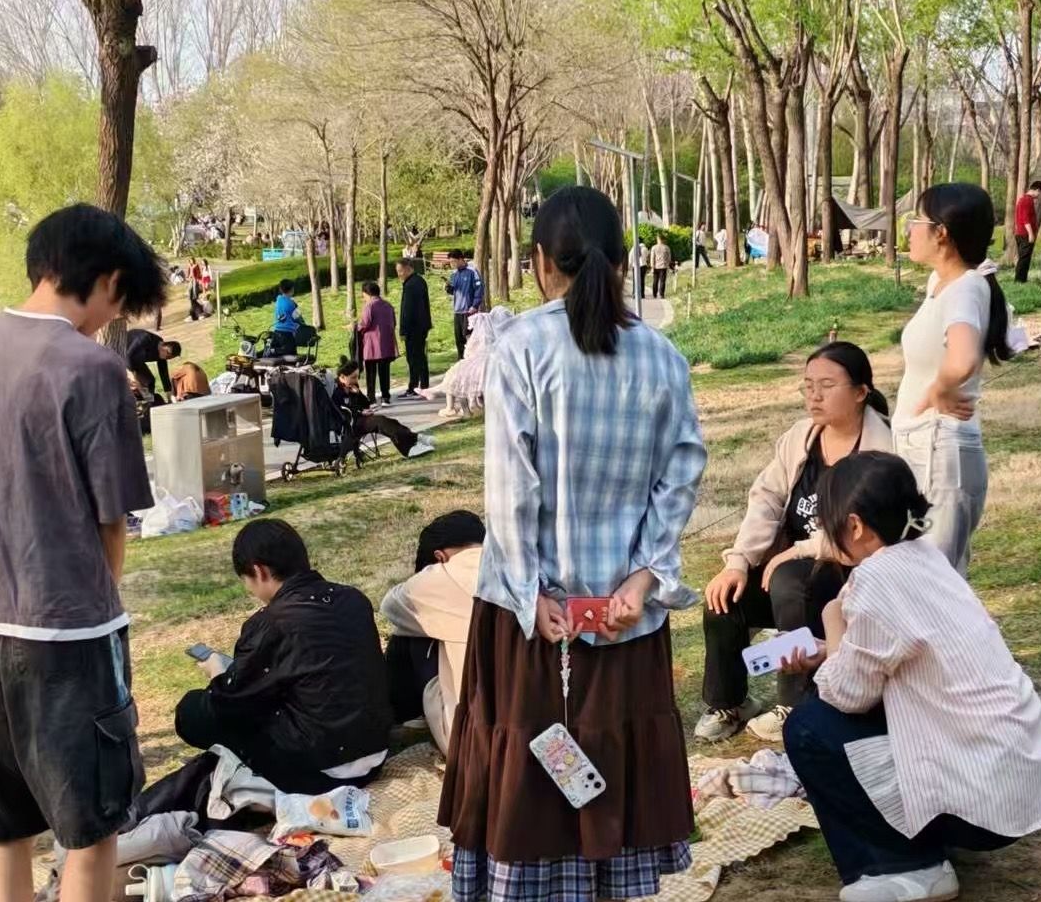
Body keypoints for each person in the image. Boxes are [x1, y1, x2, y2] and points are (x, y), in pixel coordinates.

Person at [439, 186, 704, 902]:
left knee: (530, 753)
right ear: (621, 261)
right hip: (622, 615)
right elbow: (681, 474)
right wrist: (644, 577)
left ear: (539, 262)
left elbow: (512, 490)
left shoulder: (522, 347)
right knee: (608, 749)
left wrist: (529, 593)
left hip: (536, 618)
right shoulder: (661, 356)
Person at [0, 204, 166, 902]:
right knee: (92, 828)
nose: (112, 317)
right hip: (64, 624)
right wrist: (105, 605)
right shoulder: (93, 367)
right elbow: (111, 519)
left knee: (5, 827)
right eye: (119, 301)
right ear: (108, 279)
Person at [779, 453, 1041, 902]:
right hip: (1015, 774)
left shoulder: (877, 579)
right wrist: (828, 650)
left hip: (980, 797)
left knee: (809, 727)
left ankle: (908, 866)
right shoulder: (924, 556)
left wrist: (832, 620)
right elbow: (896, 651)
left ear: (854, 526)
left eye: (827, 523)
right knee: (836, 715)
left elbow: (845, 695)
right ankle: (923, 841)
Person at [696, 342, 894, 745]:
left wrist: (798, 551)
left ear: (861, 392)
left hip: (851, 575)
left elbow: (865, 531)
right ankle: (729, 702)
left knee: (792, 580)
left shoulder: (884, 447)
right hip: (787, 570)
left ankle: (796, 703)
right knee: (724, 597)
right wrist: (738, 562)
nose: (814, 396)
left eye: (827, 386)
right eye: (808, 386)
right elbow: (766, 498)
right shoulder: (800, 438)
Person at [175, 519, 393, 793]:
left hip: (320, 770)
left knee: (193, 710)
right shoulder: (353, 599)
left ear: (259, 571)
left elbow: (231, 704)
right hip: (375, 754)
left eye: (247, 581)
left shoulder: (272, 623)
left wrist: (219, 673)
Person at [896, 184, 1015, 575]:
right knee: (926, 574)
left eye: (916, 221)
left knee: (933, 578)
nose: (909, 230)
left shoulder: (965, 288)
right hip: (923, 446)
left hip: (941, 453)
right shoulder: (941, 283)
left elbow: (963, 358)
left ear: (941, 233)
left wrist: (938, 390)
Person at [381, 510, 485, 754]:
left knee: (413, 628)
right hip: (538, 727)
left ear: (439, 556)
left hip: (469, 741)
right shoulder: (519, 567)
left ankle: (401, 715)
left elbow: (390, 607)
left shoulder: (441, 575)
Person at [334, 359, 436, 459]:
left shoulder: (352, 386)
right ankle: (411, 446)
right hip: (350, 424)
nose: (356, 380)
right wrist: (360, 412)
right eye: (353, 377)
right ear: (342, 377)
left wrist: (358, 394)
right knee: (381, 422)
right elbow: (341, 412)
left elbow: (366, 403)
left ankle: (415, 440)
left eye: (357, 377)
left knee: (389, 422)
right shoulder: (336, 391)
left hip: (361, 419)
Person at [425, 306, 513, 418]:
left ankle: (452, 407)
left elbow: (471, 352)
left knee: (457, 375)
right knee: (456, 374)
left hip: (482, 370)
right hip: (485, 368)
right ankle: (437, 396)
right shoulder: (503, 338)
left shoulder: (489, 339)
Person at [356, 280, 399, 405]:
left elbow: (365, 324)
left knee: (371, 373)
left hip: (371, 345)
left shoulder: (369, 306)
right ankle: (386, 397)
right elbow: (394, 323)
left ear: (367, 293)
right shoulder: (388, 305)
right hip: (386, 344)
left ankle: (371, 398)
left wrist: (355, 328)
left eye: (363, 294)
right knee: (384, 372)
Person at [398, 257, 432, 399]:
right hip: (421, 325)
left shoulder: (411, 284)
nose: (399, 274)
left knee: (414, 358)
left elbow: (408, 310)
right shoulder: (419, 281)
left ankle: (416, 387)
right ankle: (421, 385)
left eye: (400, 271)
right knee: (419, 357)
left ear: (408, 269)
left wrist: (403, 330)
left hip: (414, 327)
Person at [446, 249, 484, 360]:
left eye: (453, 262)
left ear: (460, 259)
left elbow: (479, 289)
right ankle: (460, 361)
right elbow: (453, 291)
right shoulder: (454, 274)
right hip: (457, 311)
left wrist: (474, 306)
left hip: (468, 311)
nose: (452, 264)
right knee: (459, 340)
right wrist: (448, 288)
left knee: (469, 339)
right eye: (450, 262)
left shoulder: (472, 271)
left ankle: (472, 361)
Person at [126, 328, 180, 400]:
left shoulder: (162, 353)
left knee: (149, 381)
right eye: (168, 356)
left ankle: (148, 402)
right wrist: (131, 375)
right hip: (122, 354)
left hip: (136, 361)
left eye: (170, 358)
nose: (167, 358)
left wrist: (169, 394)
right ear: (164, 346)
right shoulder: (144, 338)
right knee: (136, 384)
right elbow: (127, 355)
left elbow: (163, 372)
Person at [1013, 180, 1041, 283]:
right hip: (1025, 234)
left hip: (1020, 233)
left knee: (1023, 258)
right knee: (1024, 259)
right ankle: (1019, 281)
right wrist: (1030, 233)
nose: (1039, 195)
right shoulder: (1027, 200)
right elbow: (1025, 219)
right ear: (1037, 190)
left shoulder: (1023, 200)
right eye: (1040, 192)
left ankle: (1021, 280)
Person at [272, 278, 302, 342]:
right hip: (288, 333)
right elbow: (298, 318)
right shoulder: (291, 303)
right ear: (292, 289)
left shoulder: (278, 300)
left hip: (277, 330)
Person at [650, 234, 674, 298]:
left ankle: (654, 294)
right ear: (663, 240)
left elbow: (652, 258)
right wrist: (668, 264)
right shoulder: (666, 247)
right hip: (663, 266)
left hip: (656, 266)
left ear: (658, 239)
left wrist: (652, 267)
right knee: (662, 281)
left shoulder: (654, 247)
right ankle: (661, 294)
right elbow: (669, 258)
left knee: (655, 280)